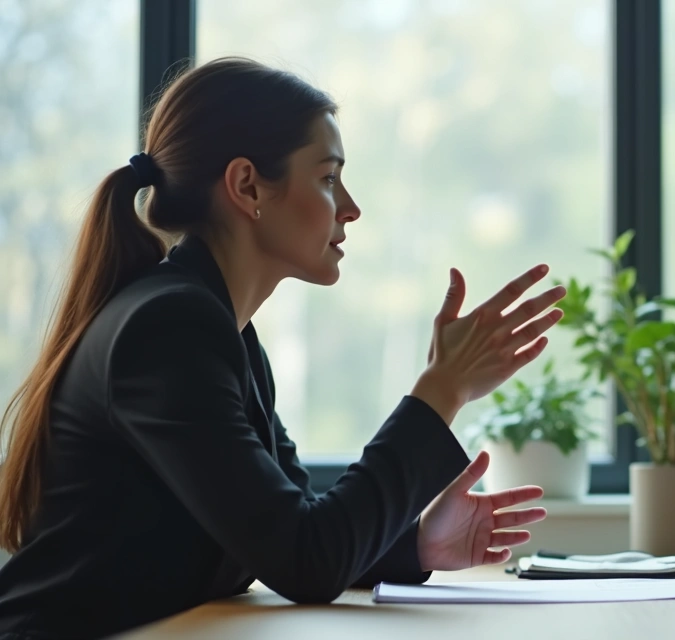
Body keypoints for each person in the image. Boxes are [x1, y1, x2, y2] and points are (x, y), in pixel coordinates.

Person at [0, 58, 565, 639]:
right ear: (247, 187)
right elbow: (305, 559)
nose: (350, 206)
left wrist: (417, 543)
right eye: (327, 177)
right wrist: (442, 389)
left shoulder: (223, 328)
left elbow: (290, 523)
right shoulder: (170, 328)